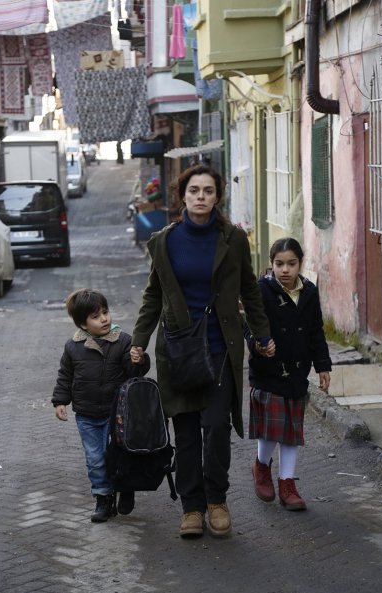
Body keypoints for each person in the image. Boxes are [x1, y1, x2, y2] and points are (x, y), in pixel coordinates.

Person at [130, 164, 274, 539]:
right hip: (178, 351)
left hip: (220, 350)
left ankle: (217, 501)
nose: (200, 197)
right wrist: (138, 341)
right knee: (188, 433)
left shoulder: (234, 239)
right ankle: (191, 508)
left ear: (217, 196)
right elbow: (153, 294)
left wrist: (262, 334)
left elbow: (250, 291)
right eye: (194, 190)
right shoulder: (164, 241)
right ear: (183, 195)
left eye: (208, 191)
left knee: (216, 429)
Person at [245, 237, 331, 511]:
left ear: (300, 263)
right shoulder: (262, 290)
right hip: (268, 372)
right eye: (279, 264)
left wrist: (323, 365)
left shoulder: (309, 292)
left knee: (291, 432)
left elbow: (316, 331)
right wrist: (259, 344)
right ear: (271, 265)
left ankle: (287, 483)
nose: (285, 270)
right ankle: (261, 467)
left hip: (296, 373)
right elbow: (249, 325)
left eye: (291, 264)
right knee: (271, 431)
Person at [52, 288, 150, 522]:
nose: (104, 319)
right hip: (86, 415)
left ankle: (126, 488)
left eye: (105, 312)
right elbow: (65, 375)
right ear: (83, 324)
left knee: (119, 455)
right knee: (95, 459)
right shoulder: (73, 346)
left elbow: (135, 373)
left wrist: (140, 359)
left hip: (116, 414)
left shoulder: (123, 340)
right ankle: (103, 499)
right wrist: (60, 400)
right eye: (96, 316)